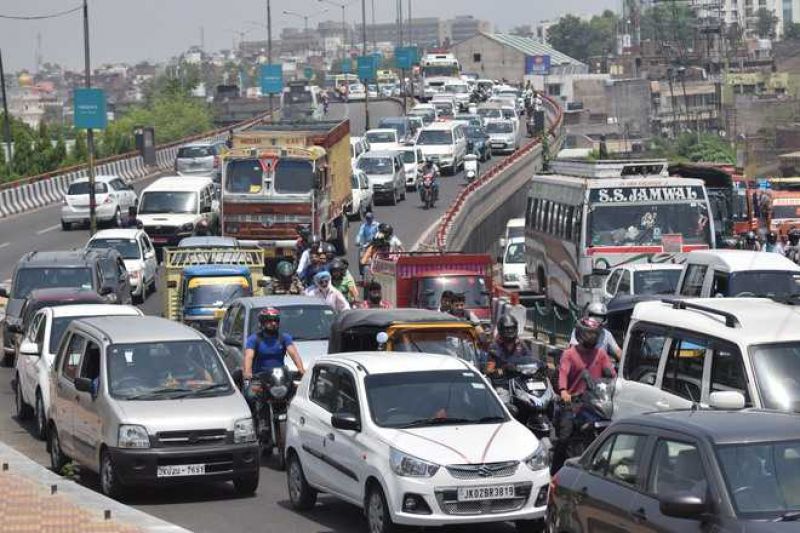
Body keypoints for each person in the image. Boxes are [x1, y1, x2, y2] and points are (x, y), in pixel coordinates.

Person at [242, 308, 305, 394]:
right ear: (262, 322)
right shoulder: (254, 339)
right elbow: (249, 357)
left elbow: (294, 354)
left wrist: (301, 370)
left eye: (276, 321)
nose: (273, 323)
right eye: (270, 321)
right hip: (260, 378)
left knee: (295, 395)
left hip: (280, 378)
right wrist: (248, 373)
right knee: (250, 396)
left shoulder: (284, 337)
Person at [557, 317, 616, 404]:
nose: (592, 337)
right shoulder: (569, 354)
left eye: (594, 334)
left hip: (597, 402)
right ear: (580, 334)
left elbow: (613, 376)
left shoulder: (601, 354)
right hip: (574, 402)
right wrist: (563, 391)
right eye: (588, 334)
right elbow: (563, 374)